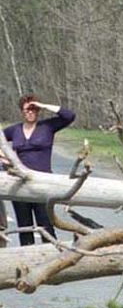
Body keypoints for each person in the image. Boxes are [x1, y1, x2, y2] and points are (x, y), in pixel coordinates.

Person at [3, 94, 76, 246]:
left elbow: (69, 116)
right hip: (19, 185)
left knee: (46, 226)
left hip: (43, 184)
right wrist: (4, 158)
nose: (30, 112)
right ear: (21, 112)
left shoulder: (47, 126)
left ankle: (52, 261)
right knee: (24, 228)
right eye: (27, 109)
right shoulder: (15, 130)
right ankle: (27, 264)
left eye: (33, 109)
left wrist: (43, 105)